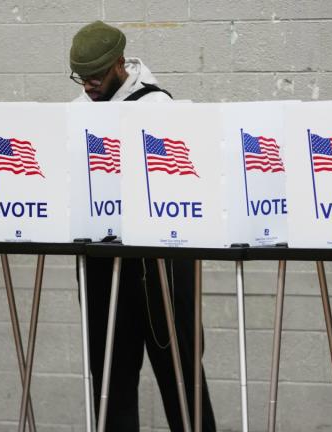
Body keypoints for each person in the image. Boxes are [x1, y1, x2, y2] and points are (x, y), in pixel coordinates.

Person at [69, 21, 217, 431]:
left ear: (120, 63)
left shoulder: (158, 107)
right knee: (109, 380)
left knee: (180, 375)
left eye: (96, 75)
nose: (88, 85)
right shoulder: (78, 111)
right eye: (81, 77)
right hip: (101, 257)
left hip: (158, 262)